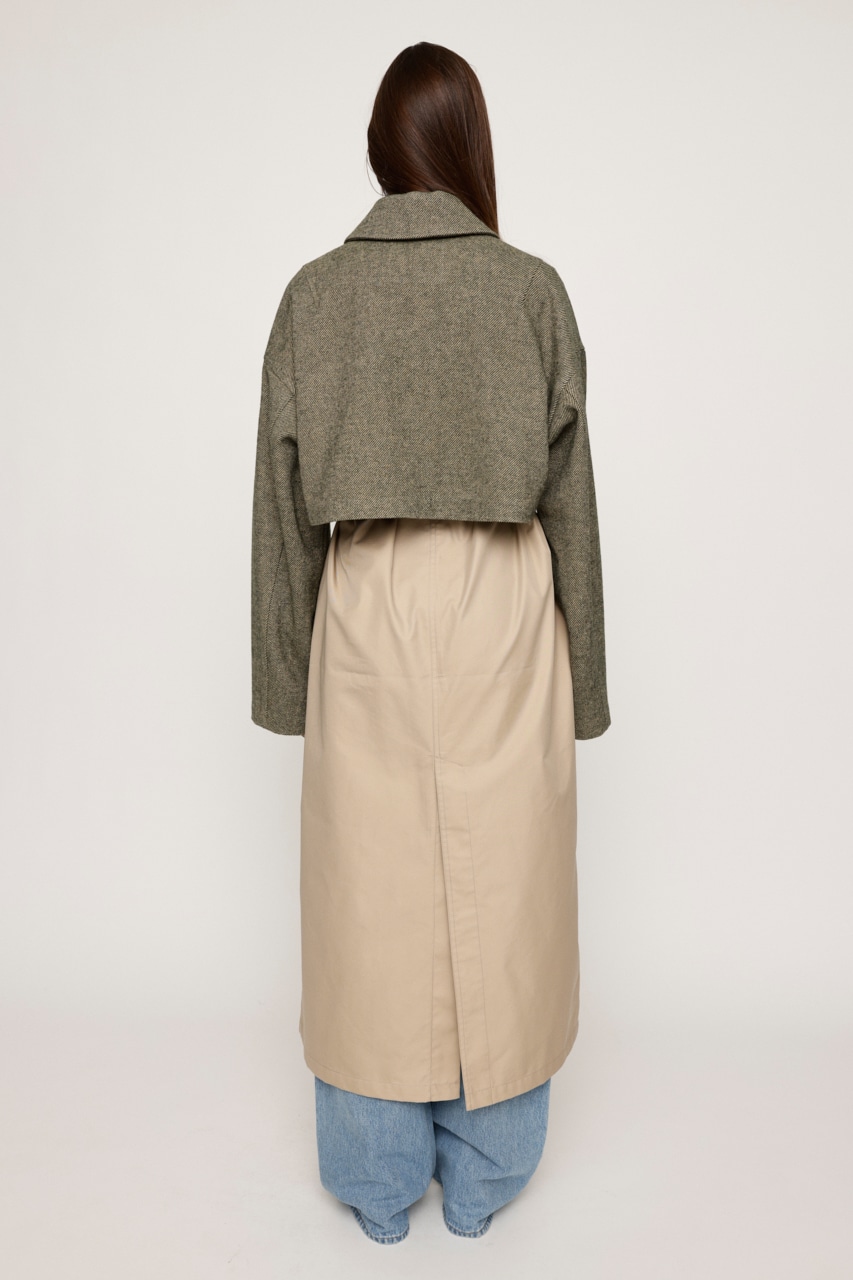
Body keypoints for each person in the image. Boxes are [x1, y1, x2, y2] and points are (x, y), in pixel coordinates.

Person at [250, 41, 611, 1243]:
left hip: (367, 591)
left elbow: (279, 501)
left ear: (378, 150)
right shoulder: (530, 289)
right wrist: (584, 686)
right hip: (503, 592)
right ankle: (490, 1170)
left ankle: (373, 1174)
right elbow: (571, 501)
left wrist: (287, 682)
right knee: (507, 876)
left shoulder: (314, 295)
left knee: (369, 885)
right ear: (469, 148)